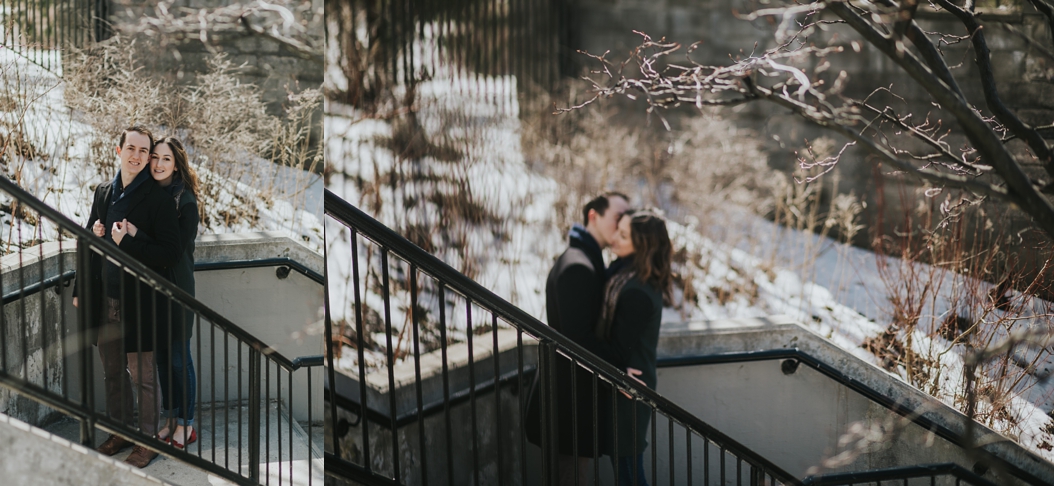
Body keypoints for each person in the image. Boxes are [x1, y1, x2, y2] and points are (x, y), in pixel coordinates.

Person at [74, 126, 183, 468]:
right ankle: (120, 431)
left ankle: (147, 441)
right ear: (118, 150)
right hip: (105, 296)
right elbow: (88, 240)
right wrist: (92, 238)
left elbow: (170, 253)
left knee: (144, 376)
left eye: (144, 151)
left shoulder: (159, 199)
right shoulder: (104, 192)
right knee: (113, 371)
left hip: (140, 302)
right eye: (131, 148)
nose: (137, 156)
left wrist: (129, 243)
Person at [525, 192, 630, 485]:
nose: (623, 225)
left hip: (571, 400)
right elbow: (578, 339)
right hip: (567, 405)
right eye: (618, 217)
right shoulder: (578, 266)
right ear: (593, 216)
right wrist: (620, 372)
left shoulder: (586, 261)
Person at [596, 210, 672, 486]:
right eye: (617, 230)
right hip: (623, 387)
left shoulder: (637, 291)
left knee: (628, 474)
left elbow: (618, 352)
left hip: (628, 392)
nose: (614, 238)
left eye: (624, 235)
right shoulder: (626, 276)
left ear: (642, 248)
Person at [146, 137, 200, 450]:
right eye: (155, 157)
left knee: (180, 360)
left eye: (166, 159)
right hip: (154, 289)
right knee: (164, 361)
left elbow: (173, 251)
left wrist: (136, 237)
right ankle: (171, 420)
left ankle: (187, 425)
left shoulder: (185, 201)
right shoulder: (151, 194)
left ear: (176, 164)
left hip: (178, 290)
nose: (159, 164)